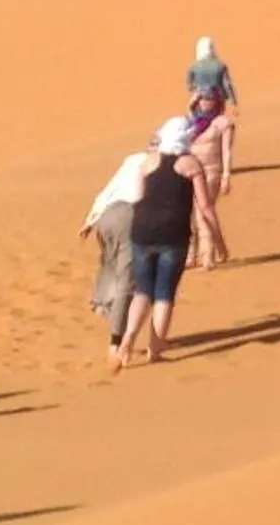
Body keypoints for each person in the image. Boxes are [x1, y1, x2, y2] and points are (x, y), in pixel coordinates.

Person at [114, 120, 217, 371]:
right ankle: (155, 348)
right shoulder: (190, 164)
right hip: (173, 235)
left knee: (143, 291)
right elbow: (204, 206)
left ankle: (127, 339)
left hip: (142, 232)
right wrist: (216, 239)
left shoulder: (148, 161)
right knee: (164, 293)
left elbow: (137, 197)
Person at [79, 147, 147, 349]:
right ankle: (117, 338)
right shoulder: (153, 164)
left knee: (109, 262)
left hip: (105, 219)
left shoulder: (131, 162)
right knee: (127, 278)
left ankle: (101, 301)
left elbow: (105, 193)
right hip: (128, 218)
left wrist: (89, 221)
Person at [185, 37, 239, 190]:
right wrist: (233, 102)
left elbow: (189, 85)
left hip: (198, 105)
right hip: (217, 103)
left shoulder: (194, 67)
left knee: (198, 132)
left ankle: (199, 163)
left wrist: (200, 89)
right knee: (217, 133)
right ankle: (216, 165)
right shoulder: (220, 66)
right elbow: (227, 86)